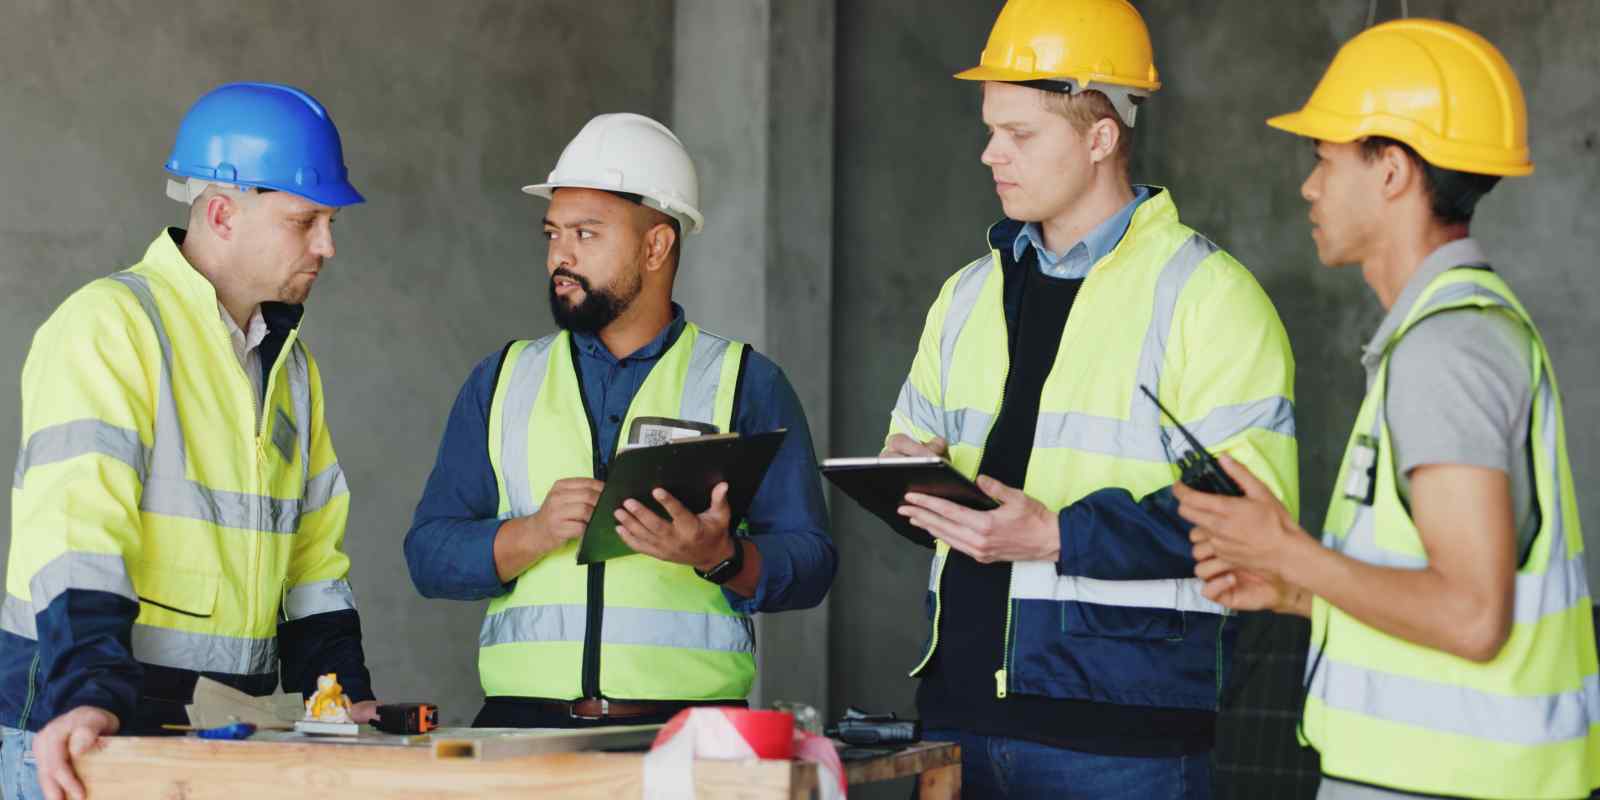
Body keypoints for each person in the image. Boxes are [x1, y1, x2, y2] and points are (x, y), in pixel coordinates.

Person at [1177, 18, 1600, 800]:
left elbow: (1474, 617)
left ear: (1393, 170)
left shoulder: (1445, 352)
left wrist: (1289, 551)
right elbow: (1434, 599)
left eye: (1324, 159)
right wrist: (1296, 590)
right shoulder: (1443, 336)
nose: (1308, 186)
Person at [883, 1, 1298, 796]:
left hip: (1126, 737)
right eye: (991, 129)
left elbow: (1253, 517)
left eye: (1020, 134)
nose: (989, 154)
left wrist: (1058, 535)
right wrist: (907, 484)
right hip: (956, 723)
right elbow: (921, 463)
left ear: (1101, 137)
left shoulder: (1207, 298)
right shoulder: (965, 295)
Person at [0, 82, 378, 800]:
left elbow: (313, 562)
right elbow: (77, 536)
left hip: (219, 740)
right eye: (306, 221)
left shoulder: (290, 367)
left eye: (330, 221)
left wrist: (338, 694)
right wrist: (89, 694)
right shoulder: (111, 327)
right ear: (222, 213)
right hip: (86, 733)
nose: (327, 245)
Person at [404, 113, 835, 728]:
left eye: (587, 234)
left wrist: (720, 555)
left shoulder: (746, 381)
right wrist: (533, 532)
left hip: (688, 738)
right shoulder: (501, 379)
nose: (561, 256)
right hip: (524, 734)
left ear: (656, 245)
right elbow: (427, 554)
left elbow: (812, 563)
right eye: (553, 234)